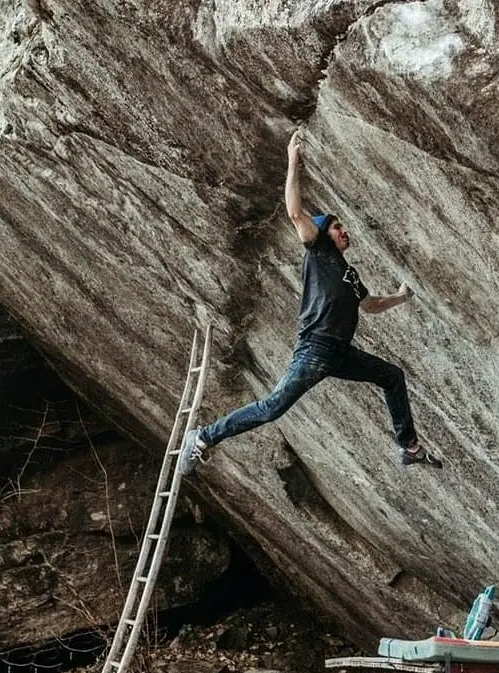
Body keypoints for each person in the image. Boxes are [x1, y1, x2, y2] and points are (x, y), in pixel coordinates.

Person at [178, 131, 442, 476]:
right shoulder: (319, 252)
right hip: (315, 349)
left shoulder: (349, 274)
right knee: (273, 407)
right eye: (337, 227)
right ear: (323, 234)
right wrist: (292, 161)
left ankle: (408, 447)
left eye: (344, 227)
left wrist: (401, 296)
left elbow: (370, 305)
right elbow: (294, 213)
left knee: (392, 376)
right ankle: (203, 437)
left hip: (340, 353)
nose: (344, 231)